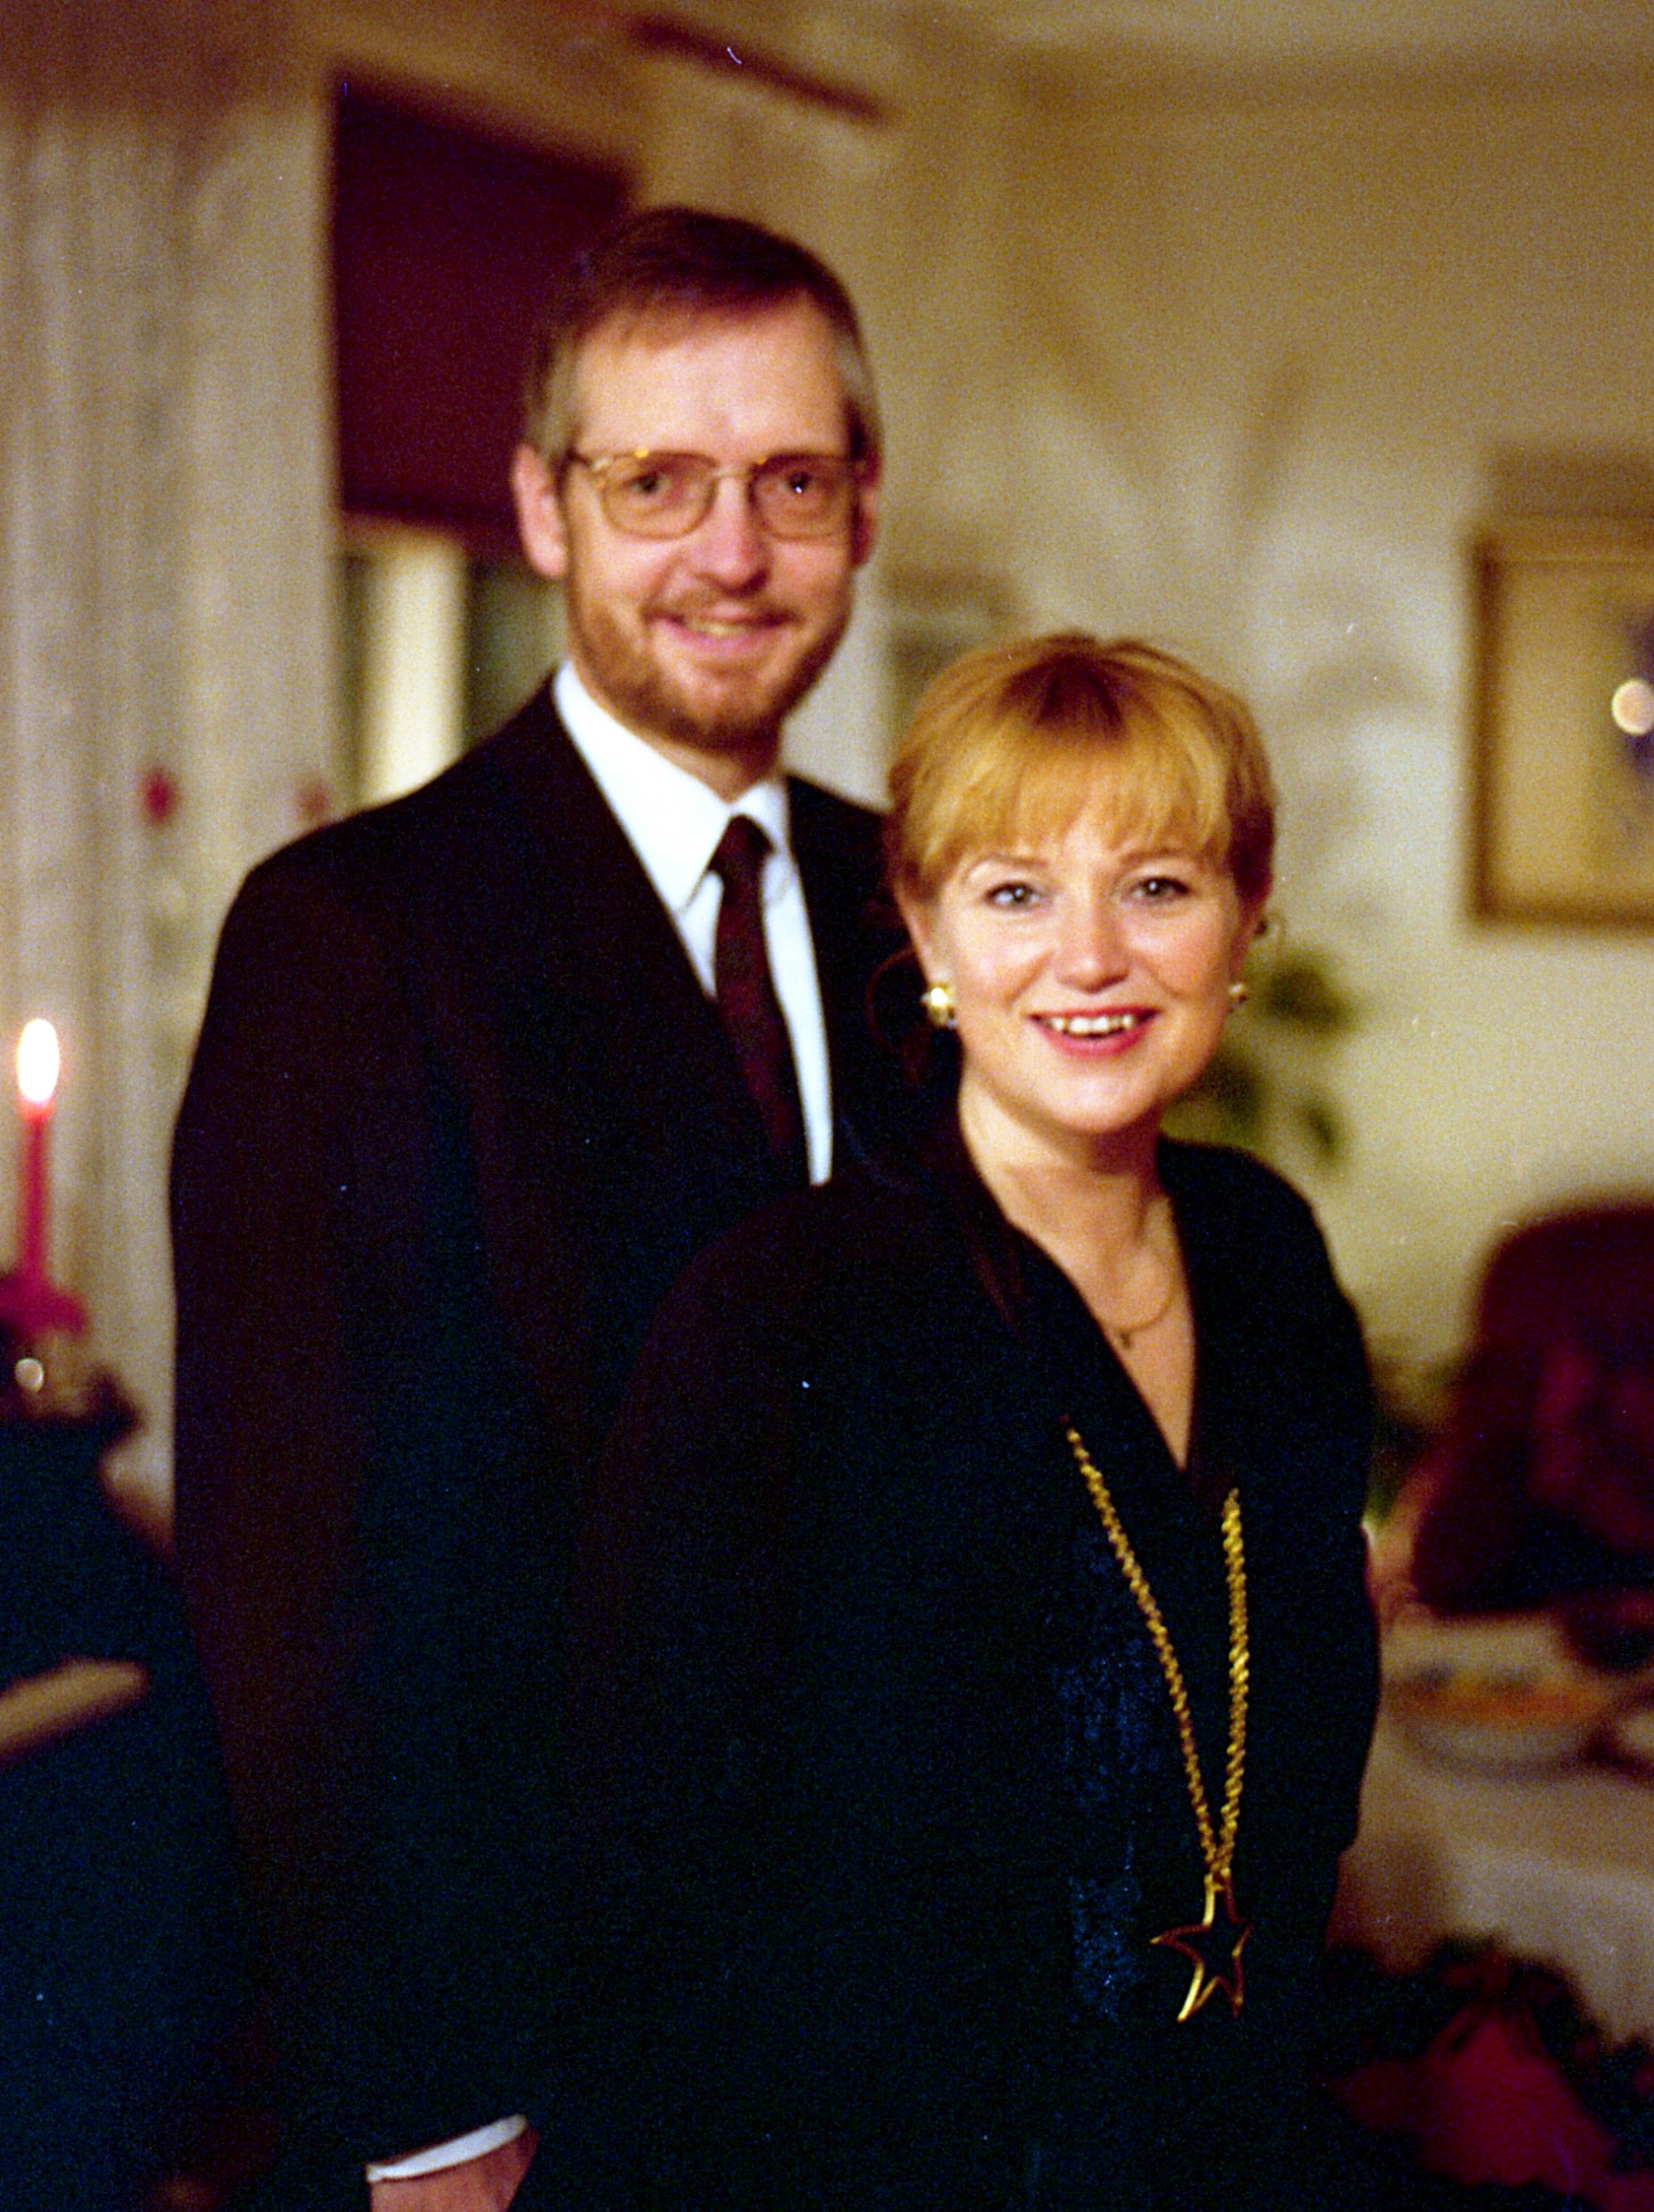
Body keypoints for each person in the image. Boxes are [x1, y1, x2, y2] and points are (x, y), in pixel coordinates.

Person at [171, 206, 906, 2210]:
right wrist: (427, 2115)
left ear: (863, 508)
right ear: (538, 508)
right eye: (656, 480)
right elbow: (299, 1595)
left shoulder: (930, 908)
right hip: (538, 2081)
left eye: (789, 482)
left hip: (890, 2048)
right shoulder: (352, 935)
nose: (730, 552)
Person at [548, 633, 1381, 2211]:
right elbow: (650, 1877)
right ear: (926, 928)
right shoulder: (784, 1311)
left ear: (1246, 914)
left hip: (1224, 2146)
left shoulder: (1267, 1253)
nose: (1092, 957)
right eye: (1016, 894)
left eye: (1157, 886)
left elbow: (1300, 1760)